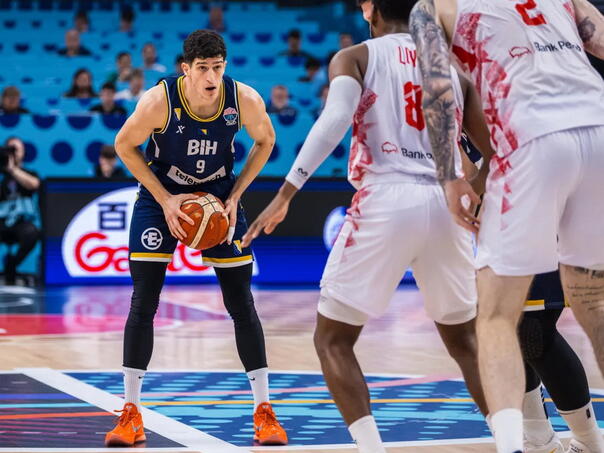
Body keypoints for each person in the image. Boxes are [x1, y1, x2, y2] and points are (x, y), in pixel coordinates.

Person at [242, 1, 495, 451]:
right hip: (445, 201)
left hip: (387, 197)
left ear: (369, 10)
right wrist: (473, 191)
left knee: (333, 339)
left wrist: (286, 193)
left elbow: (336, 119)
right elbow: (492, 148)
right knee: (467, 341)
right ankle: (517, 439)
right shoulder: (451, 67)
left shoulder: (357, 56)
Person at [409, 1, 604, 453]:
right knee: (592, 306)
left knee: (499, 318)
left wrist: (450, 177)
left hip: (533, 139)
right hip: (596, 125)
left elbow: (436, 87)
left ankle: (527, 444)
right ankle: (544, 439)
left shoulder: (433, 7)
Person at [105, 29, 287, 447]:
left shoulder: (243, 99)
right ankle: (131, 413)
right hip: (163, 198)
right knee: (144, 300)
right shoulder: (159, 101)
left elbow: (266, 140)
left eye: (217, 68)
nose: (211, 77)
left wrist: (236, 195)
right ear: (185, 68)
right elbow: (124, 145)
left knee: (241, 302)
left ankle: (264, 411)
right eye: (202, 68)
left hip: (219, 196)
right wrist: (165, 199)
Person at [465, 142, 603, 453]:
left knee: (533, 329)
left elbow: (474, 166)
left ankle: (589, 442)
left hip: (543, 193)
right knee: (511, 330)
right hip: (507, 210)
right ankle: (538, 440)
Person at [0, 137, 40, 286]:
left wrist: (13, 170)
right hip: (2, 222)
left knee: (32, 232)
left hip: (21, 223)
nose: (14, 153)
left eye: (17, 150)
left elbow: (34, 184)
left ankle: (12, 265)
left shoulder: (29, 172)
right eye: (11, 149)